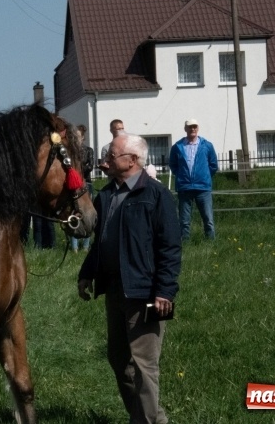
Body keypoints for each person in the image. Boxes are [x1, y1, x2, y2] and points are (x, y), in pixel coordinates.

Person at [78, 134, 182, 424]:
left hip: (144, 293)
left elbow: (170, 246)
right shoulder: (107, 194)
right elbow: (101, 242)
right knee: (118, 360)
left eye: (112, 155)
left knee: (143, 364)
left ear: (132, 160)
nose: (105, 160)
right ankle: (150, 418)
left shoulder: (156, 195)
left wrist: (165, 291)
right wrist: (87, 273)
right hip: (114, 290)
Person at [169, 119, 218, 241]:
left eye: (195, 127)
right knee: (184, 219)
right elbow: (173, 164)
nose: (193, 129)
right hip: (184, 187)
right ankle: (185, 243)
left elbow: (213, 165)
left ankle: (211, 242)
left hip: (203, 187)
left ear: (198, 128)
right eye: (190, 127)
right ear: (185, 129)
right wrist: (181, 176)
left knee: (208, 218)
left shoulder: (207, 146)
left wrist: (204, 176)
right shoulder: (177, 147)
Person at [71, 125, 95, 252]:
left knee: (87, 212)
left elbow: (90, 166)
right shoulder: (70, 151)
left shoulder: (88, 150)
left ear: (83, 138)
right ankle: (74, 246)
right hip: (74, 185)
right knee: (74, 213)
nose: (76, 139)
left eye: (78, 137)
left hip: (86, 184)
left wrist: (77, 169)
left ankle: (86, 245)